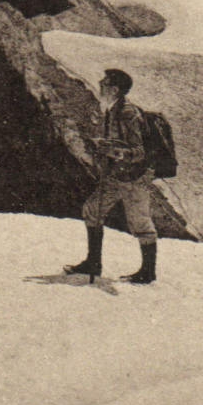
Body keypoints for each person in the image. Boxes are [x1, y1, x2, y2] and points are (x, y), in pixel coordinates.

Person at [64, 68, 159, 285]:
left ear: (114, 89)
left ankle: (148, 272)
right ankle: (93, 263)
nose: (100, 83)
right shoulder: (112, 110)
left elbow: (139, 151)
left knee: (140, 223)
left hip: (134, 177)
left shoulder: (128, 113)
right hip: (117, 175)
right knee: (91, 209)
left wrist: (113, 152)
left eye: (104, 82)